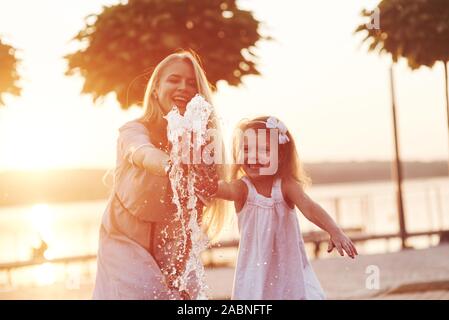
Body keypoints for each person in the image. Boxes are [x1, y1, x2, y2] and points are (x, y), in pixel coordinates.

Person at [93, 50, 226, 300]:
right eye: (174, 80)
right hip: (123, 239)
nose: (183, 88)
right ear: (156, 88)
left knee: (190, 297)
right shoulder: (133, 130)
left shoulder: (202, 143)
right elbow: (141, 153)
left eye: (191, 83)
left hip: (172, 243)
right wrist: (172, 165)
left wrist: (180, 269)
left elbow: (193, 215)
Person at [214, 116, 358, 300]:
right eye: (247, 149)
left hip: (290, 269)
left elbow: (310, 207)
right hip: (255, 274)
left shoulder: (285, 186)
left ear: (280, 156)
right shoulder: (242, 188)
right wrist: (206, 183)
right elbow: (222, 189)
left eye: (264, 150)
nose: (253, 156)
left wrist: (334, 230)